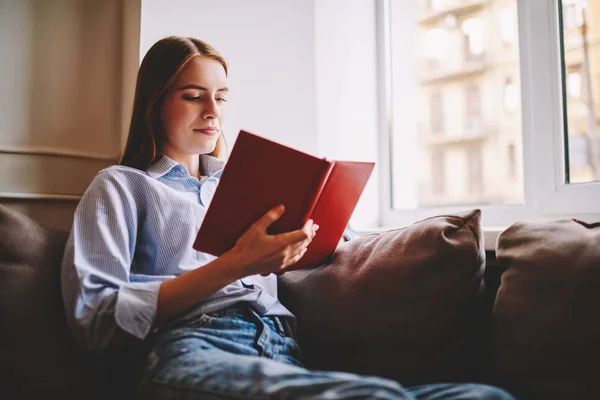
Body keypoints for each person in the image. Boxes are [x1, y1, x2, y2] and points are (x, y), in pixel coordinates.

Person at [61, 36, 514, 400]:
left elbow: (337, 245)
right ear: (155, 104)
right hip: (190, 347)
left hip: (281, 347)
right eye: (194, 96)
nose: (214, 112)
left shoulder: (249, 183)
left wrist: (318, 230)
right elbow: (94, 319)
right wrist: (235, 265)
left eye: (221, 96)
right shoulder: (122, 186)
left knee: (483, 395)